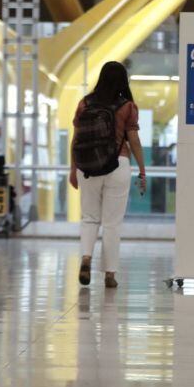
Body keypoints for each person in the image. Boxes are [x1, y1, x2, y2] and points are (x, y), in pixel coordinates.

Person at [70, 61, 147, 288]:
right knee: (112, 224)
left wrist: (73, 169)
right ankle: (109, 274)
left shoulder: (85, 103)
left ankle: (86, 258)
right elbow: (133, 141)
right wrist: (142, 171)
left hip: (88, 166)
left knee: (89, 218)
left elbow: (76, 140)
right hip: (118, 164)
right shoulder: (127, 107)